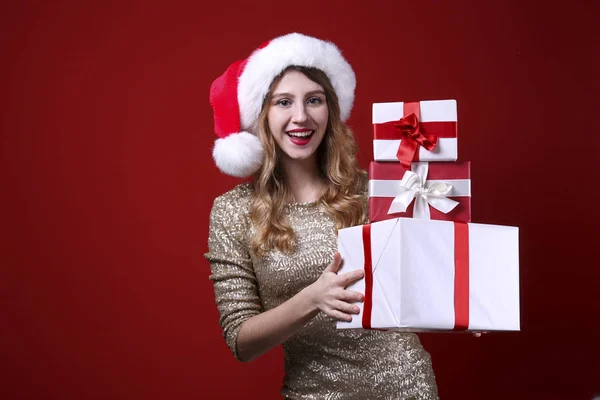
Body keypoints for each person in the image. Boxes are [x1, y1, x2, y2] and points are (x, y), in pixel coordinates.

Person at [204, 32, 439, 399]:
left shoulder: (375, 189)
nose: (301, 116)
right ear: (262, 115)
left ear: (330, 108)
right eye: (283, 102)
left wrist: (463, 307)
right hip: (311, 391)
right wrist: (312, 299)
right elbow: (241, 340)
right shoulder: (233, 211)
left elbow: (419, 280)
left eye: (313, 100)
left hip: (405, 386)